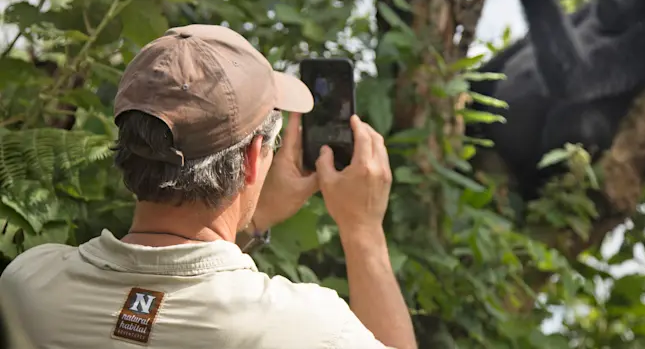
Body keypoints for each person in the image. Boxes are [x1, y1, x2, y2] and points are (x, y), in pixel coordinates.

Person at [0, 25, 417, 349]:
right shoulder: (307, 327)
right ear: (255, 158)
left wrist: (255, 215)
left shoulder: (29, 285)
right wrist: (363, 232)